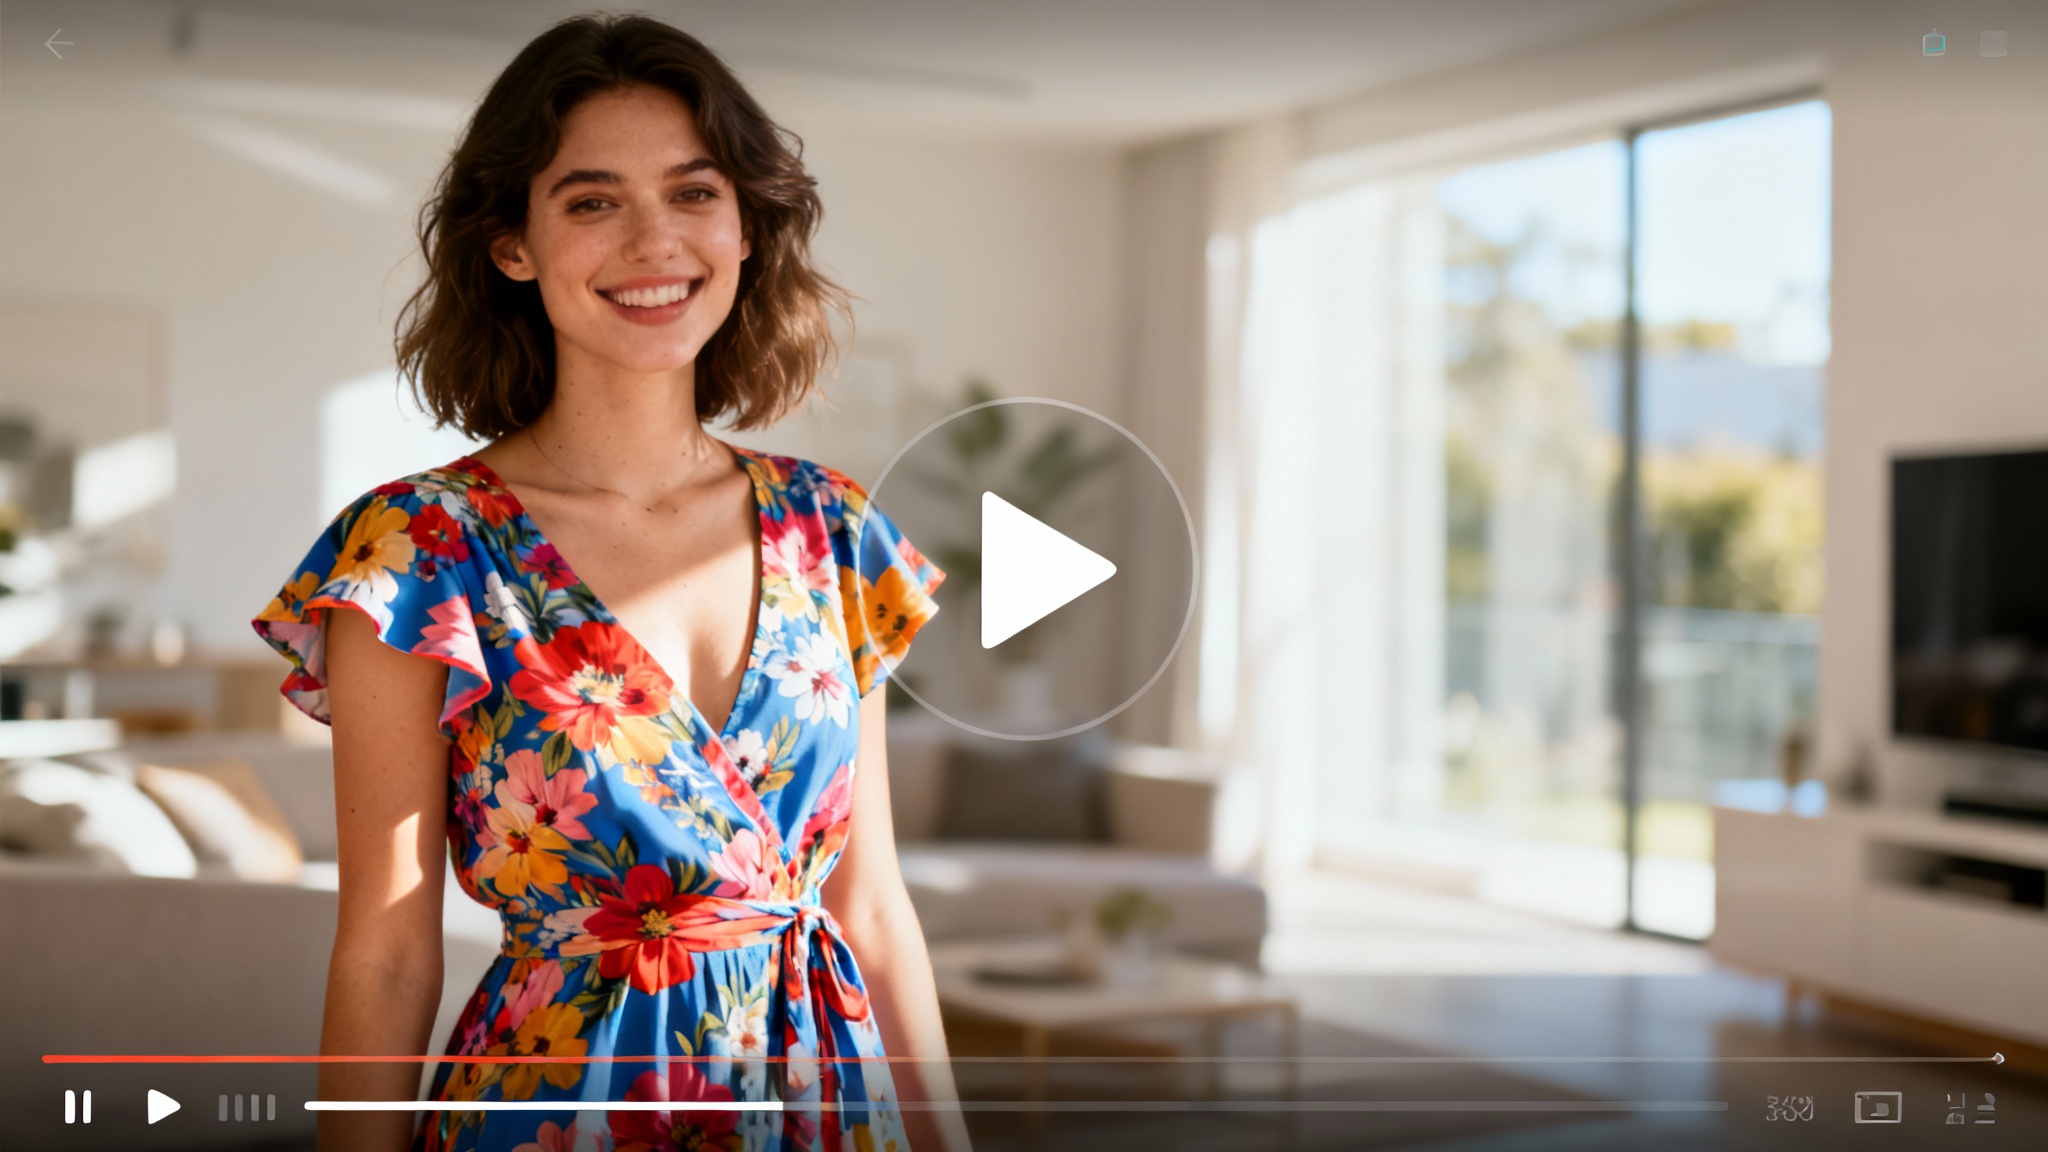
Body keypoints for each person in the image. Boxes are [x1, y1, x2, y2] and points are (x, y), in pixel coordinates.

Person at [254, 15, 969, 1151]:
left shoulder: (833, 527)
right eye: (591, 201)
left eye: (693, 193)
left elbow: (870, 908)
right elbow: (387, 952)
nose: (653, 241)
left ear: (743, 226)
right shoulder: (416, 551)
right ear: (512, 245)